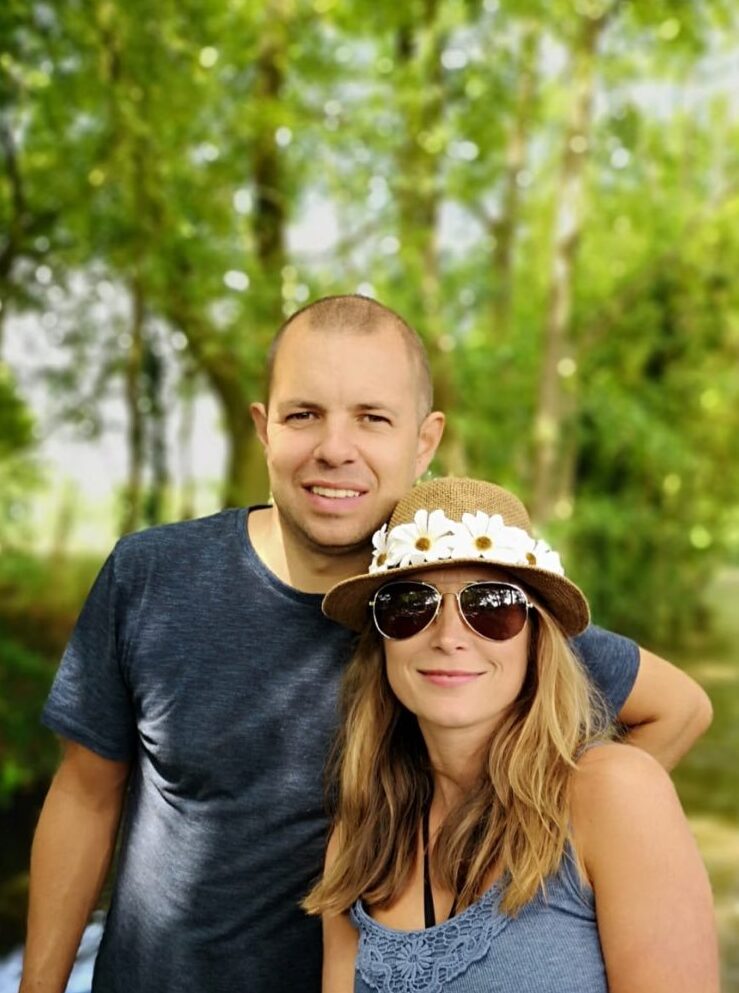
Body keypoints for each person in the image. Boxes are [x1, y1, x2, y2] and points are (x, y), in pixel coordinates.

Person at [19, 295, 712, 993]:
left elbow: (678, 708)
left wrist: (554, 845)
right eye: (303, 414)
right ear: (263, 428)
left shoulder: (481, 610)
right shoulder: (152, 577)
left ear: (423, 439)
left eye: (372, 418)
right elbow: (84, 796)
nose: (334, 448)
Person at [309, 476, 719, 993]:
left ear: (535, 639)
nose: (450, 637)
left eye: (491, 607)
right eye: (410, 604)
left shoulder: (615, 792)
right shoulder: (363, 833)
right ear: (382, 640)